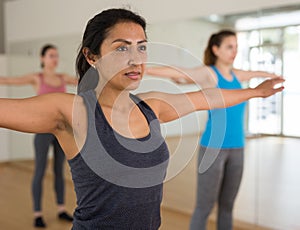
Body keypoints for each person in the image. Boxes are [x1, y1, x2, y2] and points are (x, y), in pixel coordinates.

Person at [0, 9, 284, 230]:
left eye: (142, 47)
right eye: (122, 48)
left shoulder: (152, 107)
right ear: (91, 56)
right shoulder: (72, 111)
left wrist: (256, 92)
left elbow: (209, 98)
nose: (135, 59)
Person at [146, 30, 283, 230]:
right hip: (213, 148)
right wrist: (145, 70)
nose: (234, 51)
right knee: (204, 207)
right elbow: (179, 71)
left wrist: (274, 76)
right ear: (215, 49)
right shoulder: (209, 73)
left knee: (227, 206)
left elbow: (256, 74)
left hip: (238, 148)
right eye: (229, 46)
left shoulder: (237, 74)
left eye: (236, 46)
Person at [0, 44, 77, 227]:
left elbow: (84, 81)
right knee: (40, 170)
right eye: (51, 55)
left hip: (62, 132)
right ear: (43, 59)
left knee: (59, 171)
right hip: (42, 132)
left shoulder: (62, 78)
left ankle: (61, 209)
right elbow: (9, 80)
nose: (55, 59)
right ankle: (37, 213)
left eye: (56, 55)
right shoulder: (37, 77)